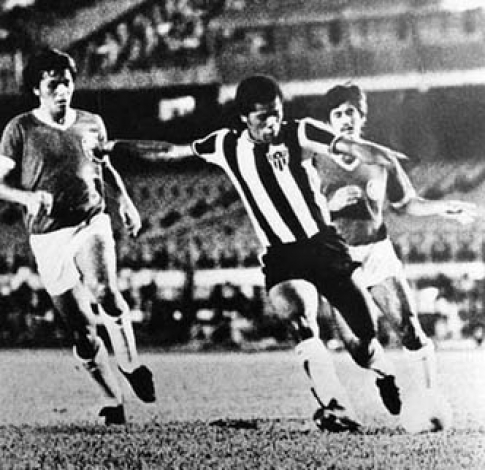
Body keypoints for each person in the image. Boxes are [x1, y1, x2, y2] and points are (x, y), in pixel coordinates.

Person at [158, 74, 409, 431]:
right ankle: (337, 407)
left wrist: (386, 157)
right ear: (244, 117)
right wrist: (114, 147)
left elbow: (349, 146)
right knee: (300, 322)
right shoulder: (225, 145)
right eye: (263, 117)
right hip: (282, 256)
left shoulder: (300, 132)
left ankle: (383, 370)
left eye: (276, 113)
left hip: (325, 247)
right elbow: (170, 150)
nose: (272, 122)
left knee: (363, 339)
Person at [0, 48, 156, 425]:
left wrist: (125, 201)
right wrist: (26, 197)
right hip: (47, 237)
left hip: (91, 221)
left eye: (67, 83)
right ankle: (112, 400)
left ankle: (131, 366)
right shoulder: (20, 129)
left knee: (105, 290)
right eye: (53, 84)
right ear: (36, 89)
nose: (62, 91)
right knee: (82, 332)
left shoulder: (91, 123)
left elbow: (104, 167)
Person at [316, 83, 476, 399]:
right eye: (338, 114)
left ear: (361, 117)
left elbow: (406, 204)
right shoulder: (315, 160)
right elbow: (301, 210)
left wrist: (444, 208)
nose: (345, 119)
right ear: (329, 121)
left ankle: (431, 398)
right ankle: (384, 374)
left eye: (350, 112)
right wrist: (329, 206)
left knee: (410, 328)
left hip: (377, 252)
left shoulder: (380, 159)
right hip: (337, 258)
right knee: (359, 346)